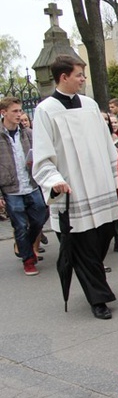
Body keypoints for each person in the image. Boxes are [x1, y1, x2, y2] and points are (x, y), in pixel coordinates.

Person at [32, 55, 118, 320]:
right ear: (63, 77)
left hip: (100, 185)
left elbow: (107, 145)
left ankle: (95, 280)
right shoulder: (45, 110)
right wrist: (53, 180)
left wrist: (117, 177)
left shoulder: (91, 105)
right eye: (79, 75)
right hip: (72, 189)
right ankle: (98, 298)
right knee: (81, 246)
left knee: (104, 236)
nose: (83, 79)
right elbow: (43, 155)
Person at [0, 97, 48, 276]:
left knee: (40, 215)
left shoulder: (28, 133)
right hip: (11, 188)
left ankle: (24, 245)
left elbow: (39, 154)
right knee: (19, 225)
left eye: (20, 111)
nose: (19, 114)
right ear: (3, 113)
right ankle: (28, 260)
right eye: (15, 111)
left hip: (31, 184)